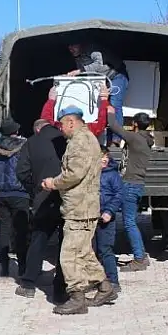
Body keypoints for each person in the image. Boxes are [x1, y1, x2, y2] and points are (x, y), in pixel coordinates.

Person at [41, 105, 116, 315]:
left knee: (69, 255)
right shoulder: (87, 138)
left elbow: (74, 173)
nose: (61, 128)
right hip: (84, 205)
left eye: (62, 124)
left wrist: (52, 183)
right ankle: (105, 287)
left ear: (71, 122)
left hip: (79, 207)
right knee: (83, 253)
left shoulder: (80, 142)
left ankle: (77, 297)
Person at [15, 118, 68, 301]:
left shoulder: (31, 142)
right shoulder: (65, 139)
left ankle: (29, 283)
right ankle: (60, 288)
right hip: (66, 197)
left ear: (37, 130)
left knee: (39, 238)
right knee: (65, 242)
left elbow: (21, 172)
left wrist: (35, 189)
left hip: (43, 196)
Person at [106, 101, 154, 271]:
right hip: (137, 183)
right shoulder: (147, 140)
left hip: (130, 184)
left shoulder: (135, 138)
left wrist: (109, 109)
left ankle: (139, 259)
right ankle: (141, 253)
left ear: (134, 124)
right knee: (131, 221)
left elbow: (113, 125)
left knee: (129, 222)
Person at [0, 119, 30, 277]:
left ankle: (3, 267)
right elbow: (27, 170)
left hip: (1, 194)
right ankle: (22, 267)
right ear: (15, 132)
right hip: (20, 193)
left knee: (4, 230)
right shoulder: (23, 148)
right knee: (21, 231)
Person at [66, 42, 129, 146]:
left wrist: (78, 71)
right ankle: (103, 138)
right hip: (102, 79)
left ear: (80, 44)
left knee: (114, 104)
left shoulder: (93, 49)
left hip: (117, 75)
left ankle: (116, 138)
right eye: (69, 47)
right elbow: (85, 73)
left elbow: (98, 64)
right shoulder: (78, 57)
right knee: (100, 105)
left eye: (73, 46)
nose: (71, 49)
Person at [96, 146, 123, 291]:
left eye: (106, 156)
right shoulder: (90, 173)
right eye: (101, 156)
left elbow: (119, 195)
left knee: (105, 249)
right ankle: (95, 280)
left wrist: (109, 211)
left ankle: (113, 280)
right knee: (91, 251)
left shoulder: (112, 175)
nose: (104, 159)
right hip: (91, 216)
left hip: (106, 217)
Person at [39, 83, 110, 137]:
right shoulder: (88, 129)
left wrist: (51, 100)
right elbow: (102, 121)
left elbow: (45, 121)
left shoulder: (57, 129)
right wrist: (104, 100)